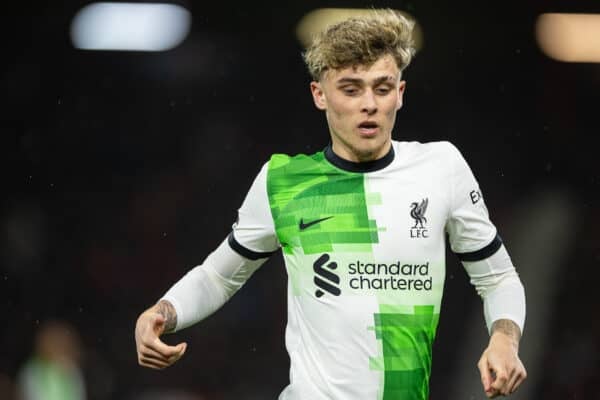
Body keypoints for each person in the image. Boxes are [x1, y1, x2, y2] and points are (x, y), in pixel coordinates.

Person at [135, 9, 526, 399]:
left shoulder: (442, 168)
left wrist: (505, 340)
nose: (369, 104)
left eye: (382, 88)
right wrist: (163, 312)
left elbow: (498, 277)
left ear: (400, 94)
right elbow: (219, 276)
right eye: (351, 89)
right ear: (320, 95)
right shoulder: (283, 182)